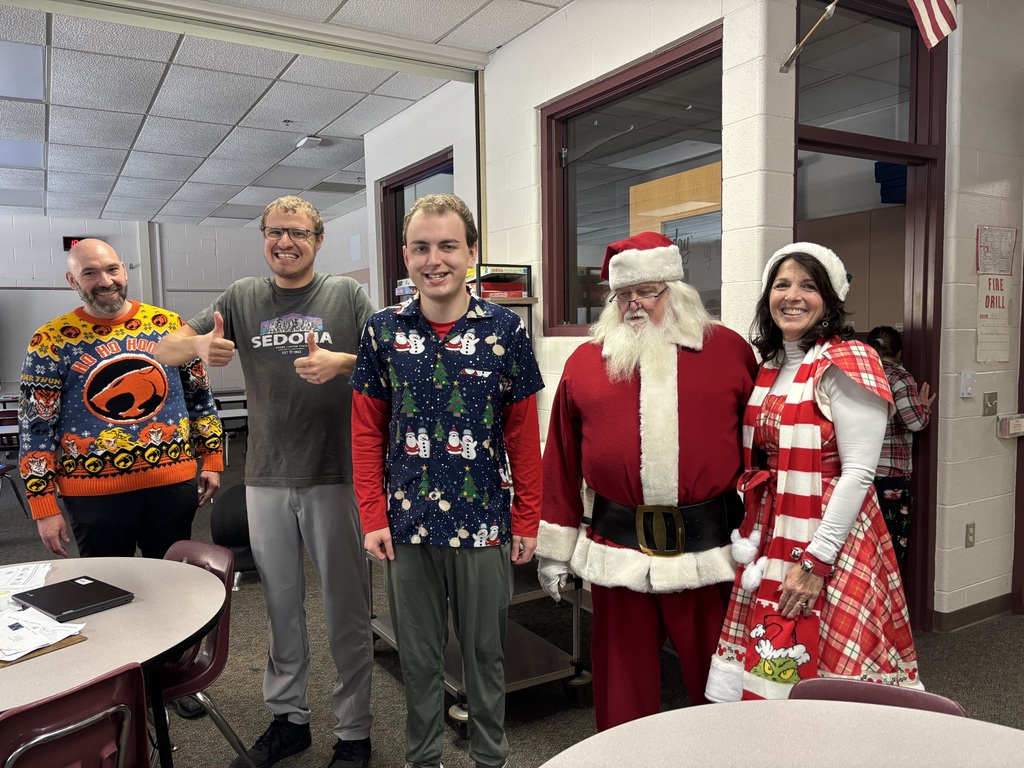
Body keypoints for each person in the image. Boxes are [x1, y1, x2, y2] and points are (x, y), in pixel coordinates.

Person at [153, 196, 376, 768]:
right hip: (266, 476)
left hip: (335, 474)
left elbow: (391, 360)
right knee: (279, 607)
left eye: (297, 232)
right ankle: (289, 720)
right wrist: (198, 346)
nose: (285, 242)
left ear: (318, 239)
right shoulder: (241, 297)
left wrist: (341, 363)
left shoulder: (346, 296)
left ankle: (354, 731)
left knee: (347, 609)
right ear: (264, 238)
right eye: (275, 232)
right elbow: (162, 346)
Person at [350, 194, 543, 768]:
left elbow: (522, 436)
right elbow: (365, 432)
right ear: (406, 256)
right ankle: (423, 758)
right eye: (421, 248)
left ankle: (490, 758)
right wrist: (372, 515)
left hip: (483, 521)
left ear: (472, 252)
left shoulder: (506, 329)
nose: (434, 260)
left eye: (448, 246)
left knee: (485, 656)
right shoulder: (381, 330)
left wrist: (528, 518)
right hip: (406, 524)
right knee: (418, 660)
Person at [536, 231, 757, 731]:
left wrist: (767, 538)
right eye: (623, 294)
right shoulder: (586, 361)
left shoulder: (729, 352)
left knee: (723, 688)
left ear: (675, 291)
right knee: (621, 689)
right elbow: (561, 459)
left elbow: (760, 448)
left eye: (647, 291)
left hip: (710, 555)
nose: (634, 303)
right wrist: (554, 550)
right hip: (619, 552)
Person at [705, 242, 922, 703]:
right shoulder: (770, 366)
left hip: (832, 536)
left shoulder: (848, 361)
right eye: (781, 285)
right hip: (775, 524)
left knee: (828, 673)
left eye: (808, 286)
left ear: (828, 299)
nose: (792, 296)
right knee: (773, 656)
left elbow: (859, 473)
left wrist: (815, 562)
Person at [18, 238, 223, 559]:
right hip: (93, 494)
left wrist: (212, 459)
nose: (105, 281)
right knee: (109, 585)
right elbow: (36, 427)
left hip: (171, 485)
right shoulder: (51, 340)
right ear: (72, 281)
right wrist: (43, 504)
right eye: (90, 273)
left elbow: (200, 397)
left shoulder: (169, 325)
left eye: (112, 269)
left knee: (172, 580)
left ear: (124, 271)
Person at [866, 325, 935, 567]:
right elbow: (914, 422)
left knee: (864, 542)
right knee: (891, 546)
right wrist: (923, 407)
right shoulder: (900, 378)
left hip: (860, 472)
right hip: (891, 477)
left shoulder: (859, 374)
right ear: (899, 353)